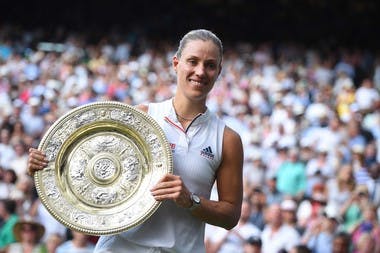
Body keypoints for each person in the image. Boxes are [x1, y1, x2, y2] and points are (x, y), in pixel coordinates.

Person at [27, 29, 244, 253]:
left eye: (210, 65)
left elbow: (230, 216)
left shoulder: (227, 139)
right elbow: (92, 166)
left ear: (218, 71)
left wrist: (191, 201)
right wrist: (45, 166)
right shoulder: (140, 117)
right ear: (176, 63)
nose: (200, 71)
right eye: (193, 61)